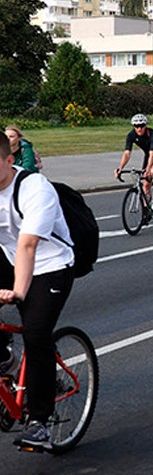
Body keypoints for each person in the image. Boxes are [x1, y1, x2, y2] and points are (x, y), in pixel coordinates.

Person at [0, 131, 75, 449]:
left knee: (35, 331)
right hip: (8, 257)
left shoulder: (34, 188)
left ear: (9, 160)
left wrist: (17, 292)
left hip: (50, 264)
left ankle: (39, 420)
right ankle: (7, 361)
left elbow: (28, 246)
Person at [114, 114, 153, 201]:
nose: (139, 128)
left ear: (145, 126)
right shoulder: (131, 135)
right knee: (146, 184)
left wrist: (148, 168)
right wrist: (120, 168)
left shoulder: (152, 135)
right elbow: (127, 153)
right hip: (148, 156)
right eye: (136, 126)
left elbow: (152, 154)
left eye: (142, 126)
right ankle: (147, 209)